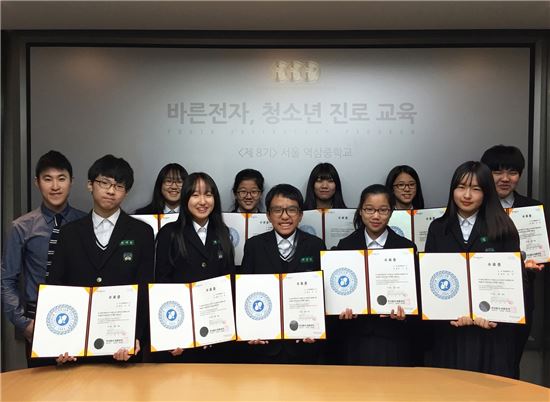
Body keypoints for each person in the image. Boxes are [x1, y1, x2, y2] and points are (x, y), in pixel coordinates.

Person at [47, 154, 155, 364]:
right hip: (76, 344)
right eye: (104, 183)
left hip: (122, 345)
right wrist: (58, 340)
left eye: (119, 186)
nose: (111, 191)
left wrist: (136, 336)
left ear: (126, 192)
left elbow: (145, 287)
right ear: (90, 185)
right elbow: (56, 286)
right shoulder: (69, 233)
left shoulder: (142, 232)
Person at [424, 161, 524, 378]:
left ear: (487, 192)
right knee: (449, 386)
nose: (467, 195)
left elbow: (515, 281)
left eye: (476, 189)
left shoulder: (504, 227)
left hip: (491, 332)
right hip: (449, 330)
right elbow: (430, 279)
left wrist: (493, 314)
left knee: (488, 388)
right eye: (461, 187)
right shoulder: (438, 228)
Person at [1, 150, 86, 366]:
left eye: (61, 178)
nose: (55, 186)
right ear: (37, 183)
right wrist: (23, 323)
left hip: (80, 314)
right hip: (36, 317)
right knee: (41, 384)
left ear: (71, 181)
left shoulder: (85, 223)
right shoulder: (21, 227)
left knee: (82, 382)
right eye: (48, 179)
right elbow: (6, 279)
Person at [329, 184, 418, 366]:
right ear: (361, 211)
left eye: (383, 210)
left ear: (391, 212)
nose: (376, 216)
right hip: (355, 337)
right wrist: (340, 310)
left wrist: (406, 314)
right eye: (369, 209)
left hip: (393, 337)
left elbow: (415, 296)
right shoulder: (345, 246)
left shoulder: (406, 248)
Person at [240, 184, 326, 364]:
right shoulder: (254, 246)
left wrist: (315, 328)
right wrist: (249, 329)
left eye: (292, 210)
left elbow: (322, 295)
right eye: (277, 210)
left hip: (304, 345)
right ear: (268, 215)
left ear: (300, 215)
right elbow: (244, 293)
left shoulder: (315, 245)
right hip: (264, 345)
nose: (285, 216)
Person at [155, 172, 235, 362]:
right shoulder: (169, 233)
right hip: (181, 335)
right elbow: (163, 284)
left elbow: (229, 280)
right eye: (195, 195)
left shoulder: (223, 233)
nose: (202, 201)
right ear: (185, 198)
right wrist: (171, 333)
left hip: (218, 334)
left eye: (208, 194)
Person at [481, 144, 546, 377]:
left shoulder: (533, 209)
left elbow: (541, 250)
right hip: (481, 298)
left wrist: (533, 264)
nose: (505, 178)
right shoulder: (474, 207)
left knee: (509, 365)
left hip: (520, 298)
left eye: (513, 172)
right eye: (497, 172)